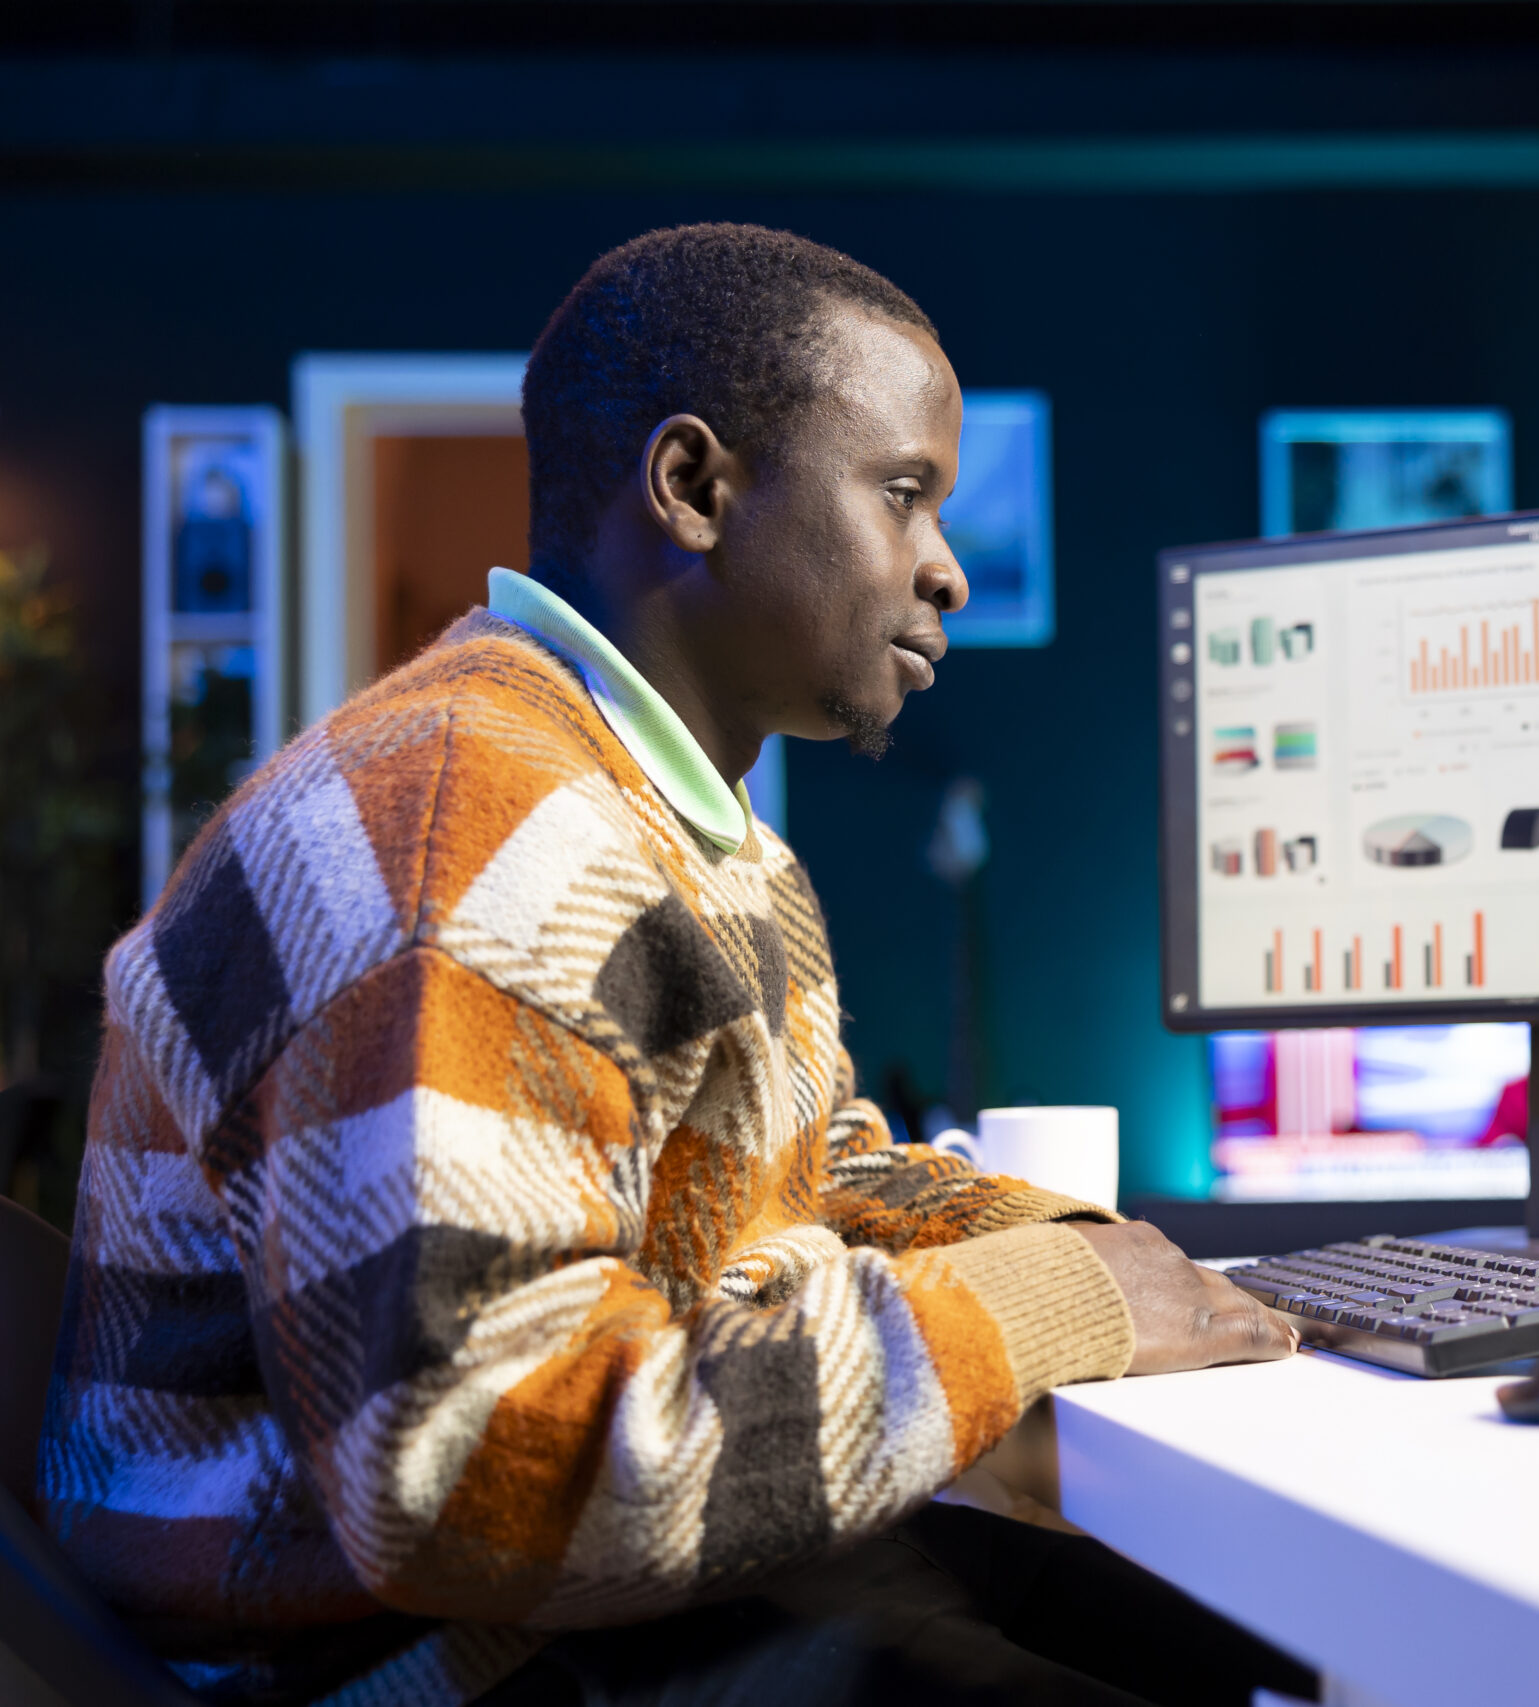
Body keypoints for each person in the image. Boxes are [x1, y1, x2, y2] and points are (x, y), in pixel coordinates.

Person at [42, 224, 1311, 1707]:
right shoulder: (473, 832)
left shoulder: (673, 822)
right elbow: (477, 1474)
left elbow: (806, 1167)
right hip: (414, 1660)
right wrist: (1047, 1303)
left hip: (592, 1608)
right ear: (697, 488)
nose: (946, 569)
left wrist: (1116, 1260)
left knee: (1241, 1642)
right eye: (902, 495)